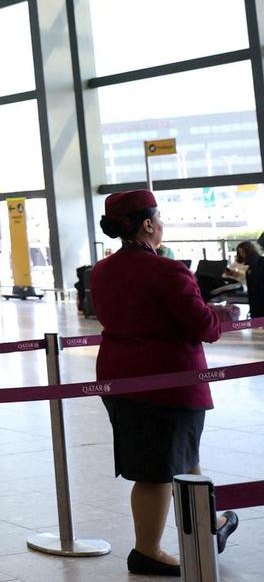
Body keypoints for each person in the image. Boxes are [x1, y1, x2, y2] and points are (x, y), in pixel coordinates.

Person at [91, 189, 237, 576]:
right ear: (148, 224)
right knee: (159, 471)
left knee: (178, 459)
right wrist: (219, 313)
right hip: (169, 383)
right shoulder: (168, 271)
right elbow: (205, 327)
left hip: (119, 378)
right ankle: (147, 551)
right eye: (160, 217)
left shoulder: (103, 270)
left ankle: (213, 523)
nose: (163, 223)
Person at [235, 240, 264, 319]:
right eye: (240, 252)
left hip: (256, 296)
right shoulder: (255, 262)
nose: (241, 254)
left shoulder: (255, 264)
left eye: (242, 252)